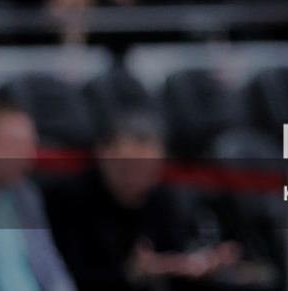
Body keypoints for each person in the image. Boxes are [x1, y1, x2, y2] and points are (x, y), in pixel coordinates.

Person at [45, 110, 239, 291]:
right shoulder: (69, 200)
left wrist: (202, 263)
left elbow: (175, 255)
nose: (136, 179)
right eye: (126, 169)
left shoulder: (161, 199)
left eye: (147, 170)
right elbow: (66, 273)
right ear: (103, 154)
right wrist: (131, 273)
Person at [0, 97, 76, 291]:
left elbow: (50, 267)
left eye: (31, 144)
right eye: (16, 144)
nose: (29, 155)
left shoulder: (26, 196)